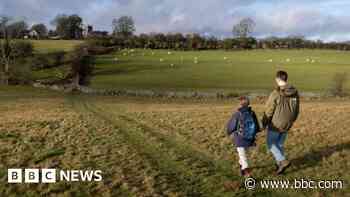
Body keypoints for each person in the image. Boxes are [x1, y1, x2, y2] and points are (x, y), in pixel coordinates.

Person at [262, 70, 300, 175]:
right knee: (279, 144)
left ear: (277, 79)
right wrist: (292, 121)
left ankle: (283, 161)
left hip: (276, 123)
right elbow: (296, 109)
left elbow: (269, 110)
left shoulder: (275, 93)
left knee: (271, 144)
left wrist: (264, 122)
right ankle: (280, 165)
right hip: (288, 122)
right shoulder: (295, 93)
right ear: (286, 79)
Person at [226, 96, 260, 177]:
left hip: (239, 138)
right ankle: (241, 168)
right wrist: (255, 133)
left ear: (240, 105)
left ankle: (247, 174)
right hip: (250, 138)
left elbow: (231, 126)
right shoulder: (252, 113)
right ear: (248, 104)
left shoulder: (237, 114)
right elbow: (257, 126)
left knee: (243, 156)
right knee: (243, 155)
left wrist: (229, 132)